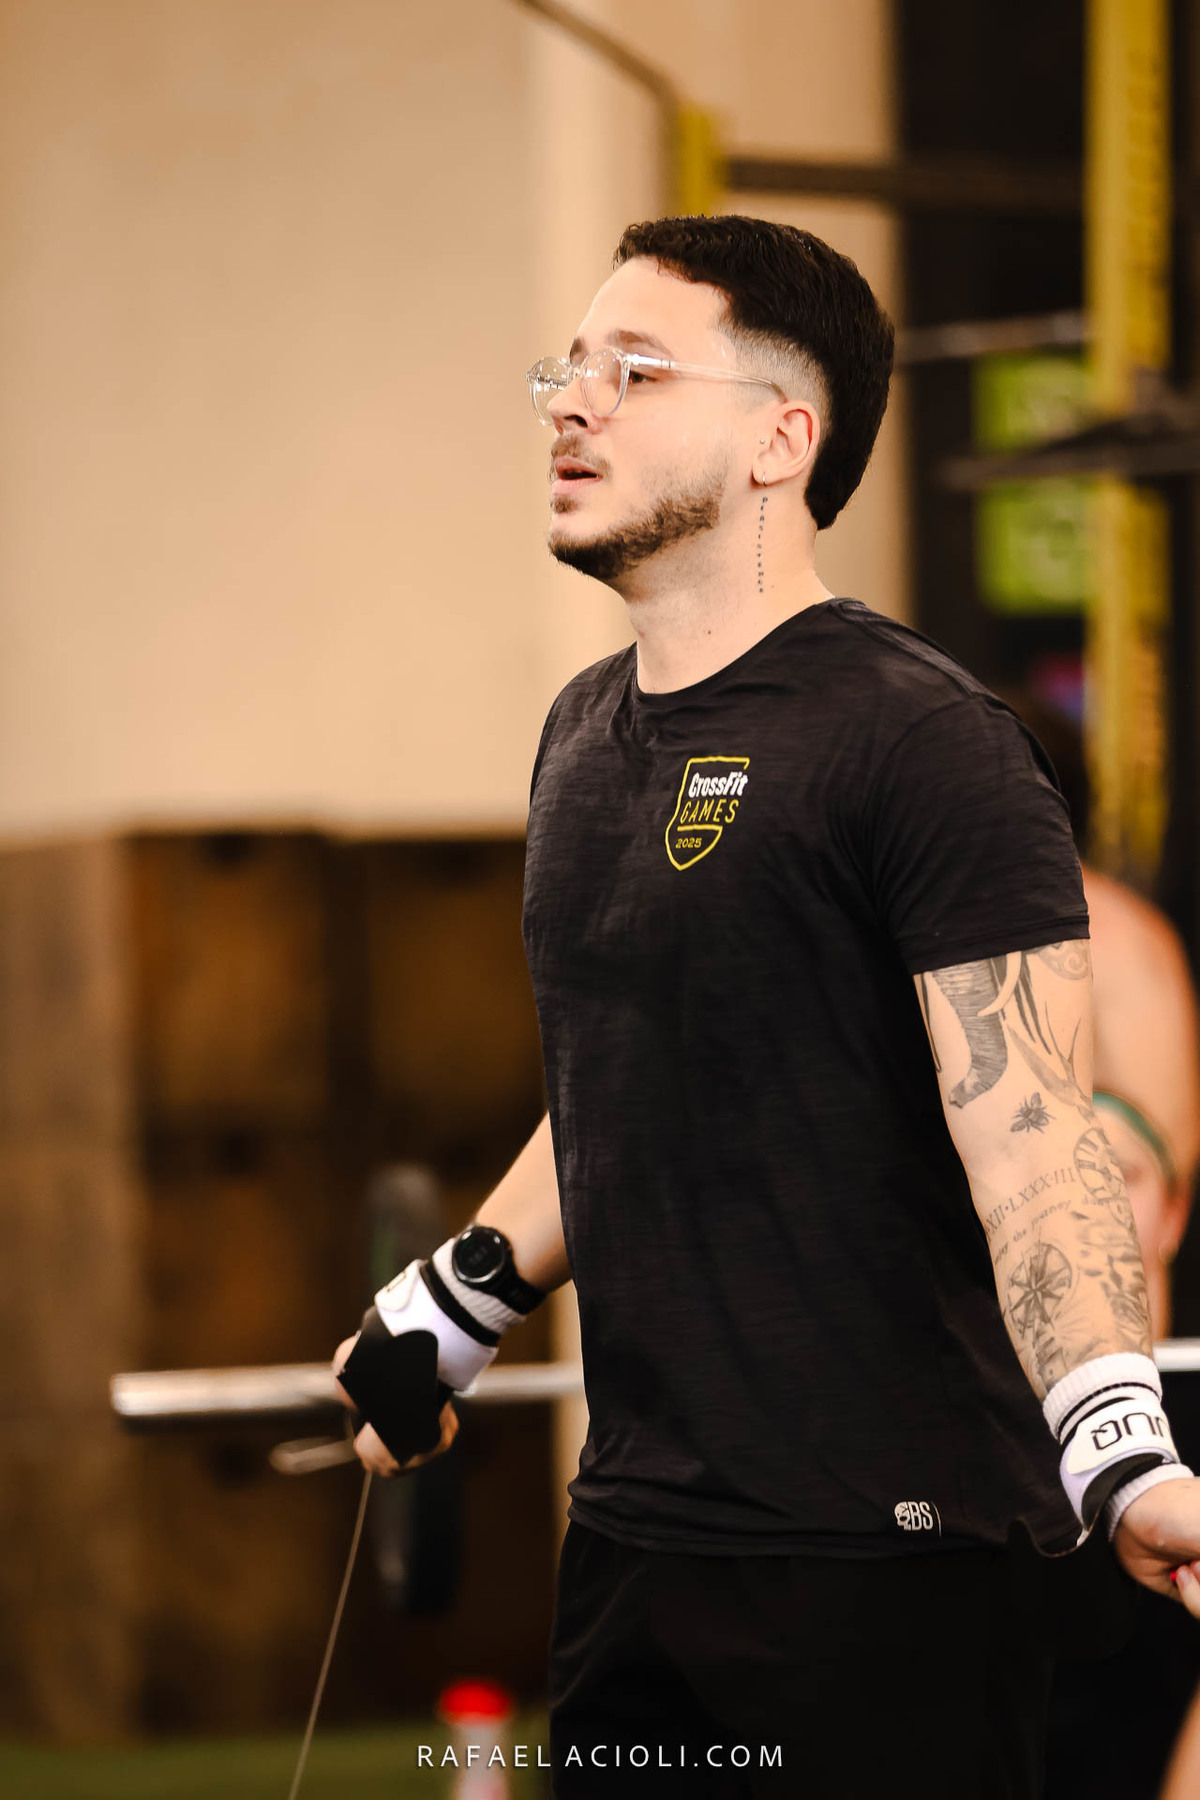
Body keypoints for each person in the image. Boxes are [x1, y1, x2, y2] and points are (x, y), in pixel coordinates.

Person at [332, 215, 1200, 1798]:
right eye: (567, 369)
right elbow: (633, 1081)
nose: (572, 404)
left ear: (780, 440)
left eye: (636, 371)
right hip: (639, 1539)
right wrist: (454, 1301)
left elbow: (1032, 1132)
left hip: (886, 1565)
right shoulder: (581, 739)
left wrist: (1121, 1446)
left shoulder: (924, 741)